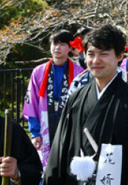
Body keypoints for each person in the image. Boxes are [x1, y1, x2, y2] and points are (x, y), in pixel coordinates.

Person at [43, 24, 128, 185]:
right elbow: (60, 150)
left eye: (104, 54)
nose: (96, 60)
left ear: (120, 56)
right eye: (90, 54)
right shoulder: (76, 99)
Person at [23, 29, 85, 167]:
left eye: (62, 44)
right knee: (44, 166)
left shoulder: (79, 72)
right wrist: (34, 132)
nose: (57, 48)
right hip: (45, 123)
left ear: (70, 47)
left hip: (69, 125)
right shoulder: (38, 72)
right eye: (54, 43)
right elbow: (31, 103)